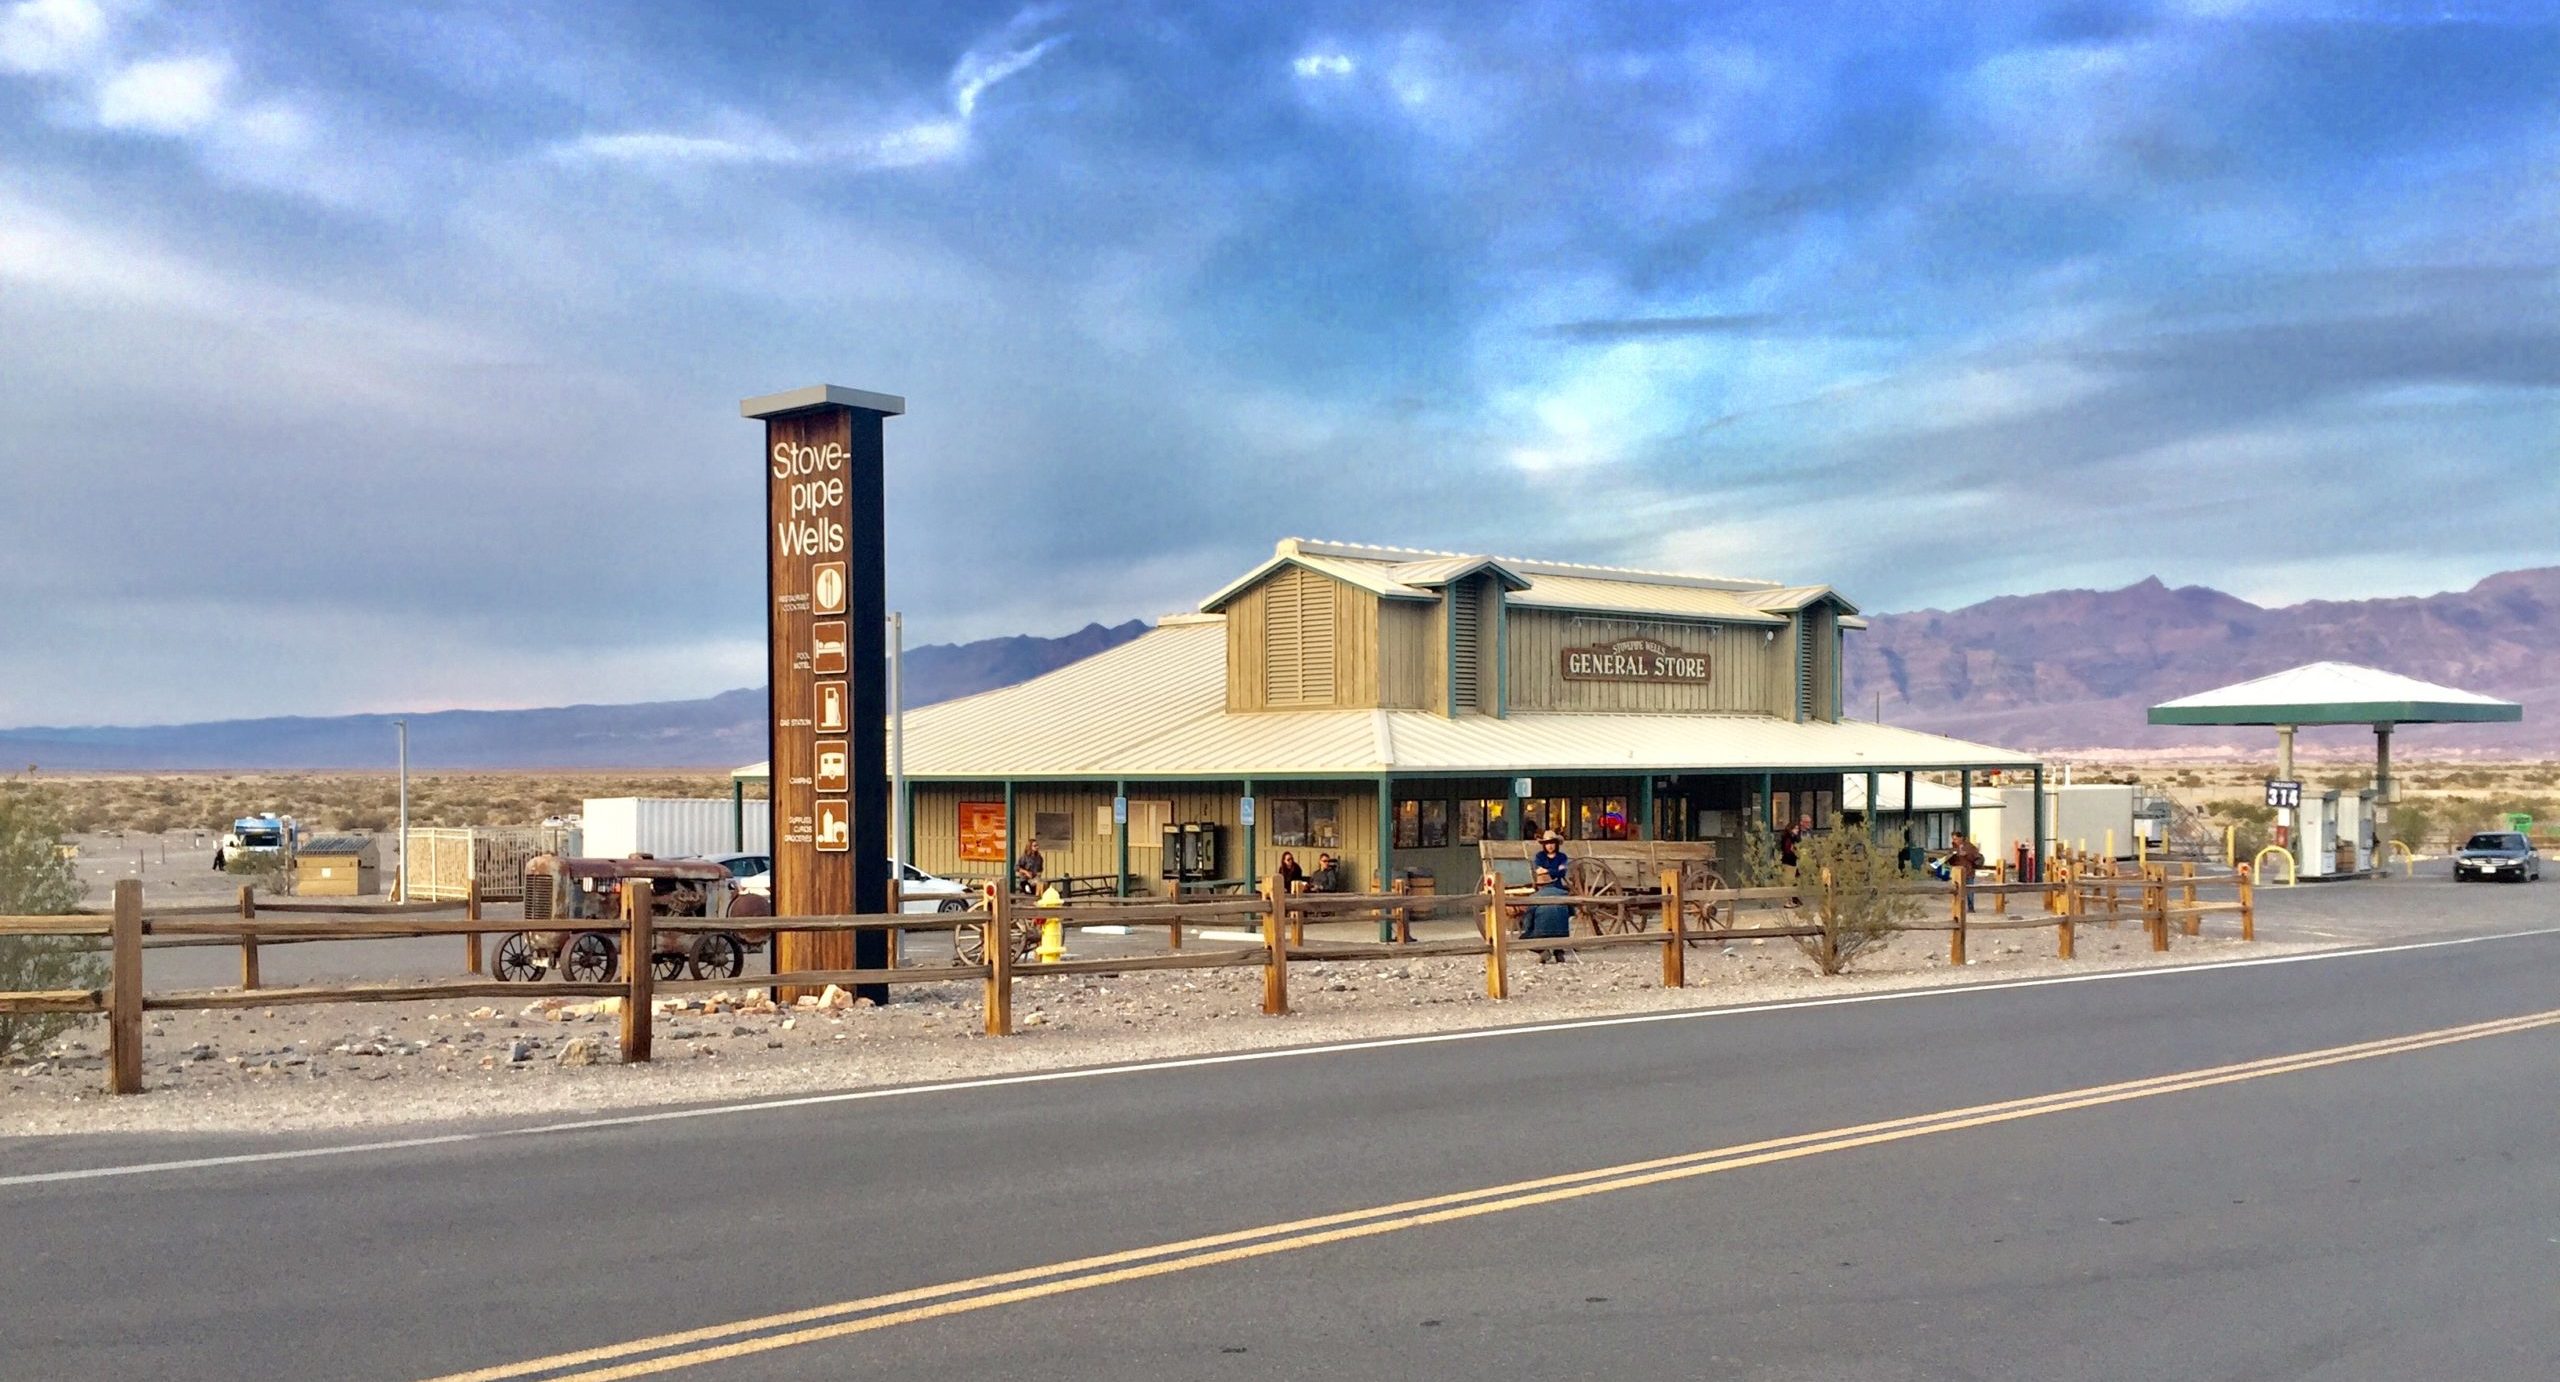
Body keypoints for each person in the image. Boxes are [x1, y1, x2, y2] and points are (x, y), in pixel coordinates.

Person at [1522, 865, 1575, 963]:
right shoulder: (1563, 894)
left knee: (1523, 938)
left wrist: (1527, 931)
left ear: (1538, 885)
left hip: (1542, 933)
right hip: (1562, 933)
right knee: (1557, 930)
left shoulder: (1534, 897)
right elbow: (1572, 912)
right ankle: (1559, 952)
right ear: (1552, 883)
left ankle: (1542, 951)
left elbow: (1528, 920)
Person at [1945, 831, 1985, 915]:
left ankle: (1971, 907)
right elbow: (1951, 862)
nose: (1954, 840)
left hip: (1968, 872)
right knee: (1957, 891)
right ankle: (1958, 907)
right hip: (1957, 873)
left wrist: (1966, 854)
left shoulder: (1970, 846)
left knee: (1970, 891)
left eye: (1956, 839)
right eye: (1953, 839)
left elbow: (1976, 858)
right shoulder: (1953, 848)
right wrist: (1950, 858)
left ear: (1961, 838)